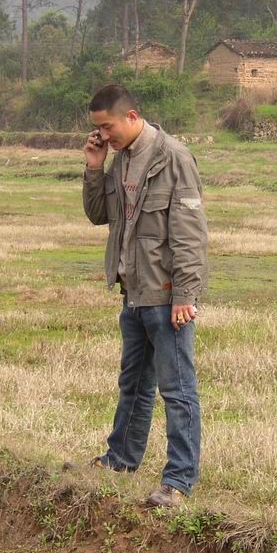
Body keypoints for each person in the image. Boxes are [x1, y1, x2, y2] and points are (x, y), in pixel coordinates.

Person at [81, 84, 209, 508]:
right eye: (98, 129)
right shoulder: (119, 161)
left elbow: (190, 235)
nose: (103, 135)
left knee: (177, 390)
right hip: (133, 294)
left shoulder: (174, 158)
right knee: (133, 385)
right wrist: (95, 167)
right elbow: (100, 215)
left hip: (166, 295)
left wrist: (185, 295)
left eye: (107, 127)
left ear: (132, 117)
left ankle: (178, 479)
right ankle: (120, 459)